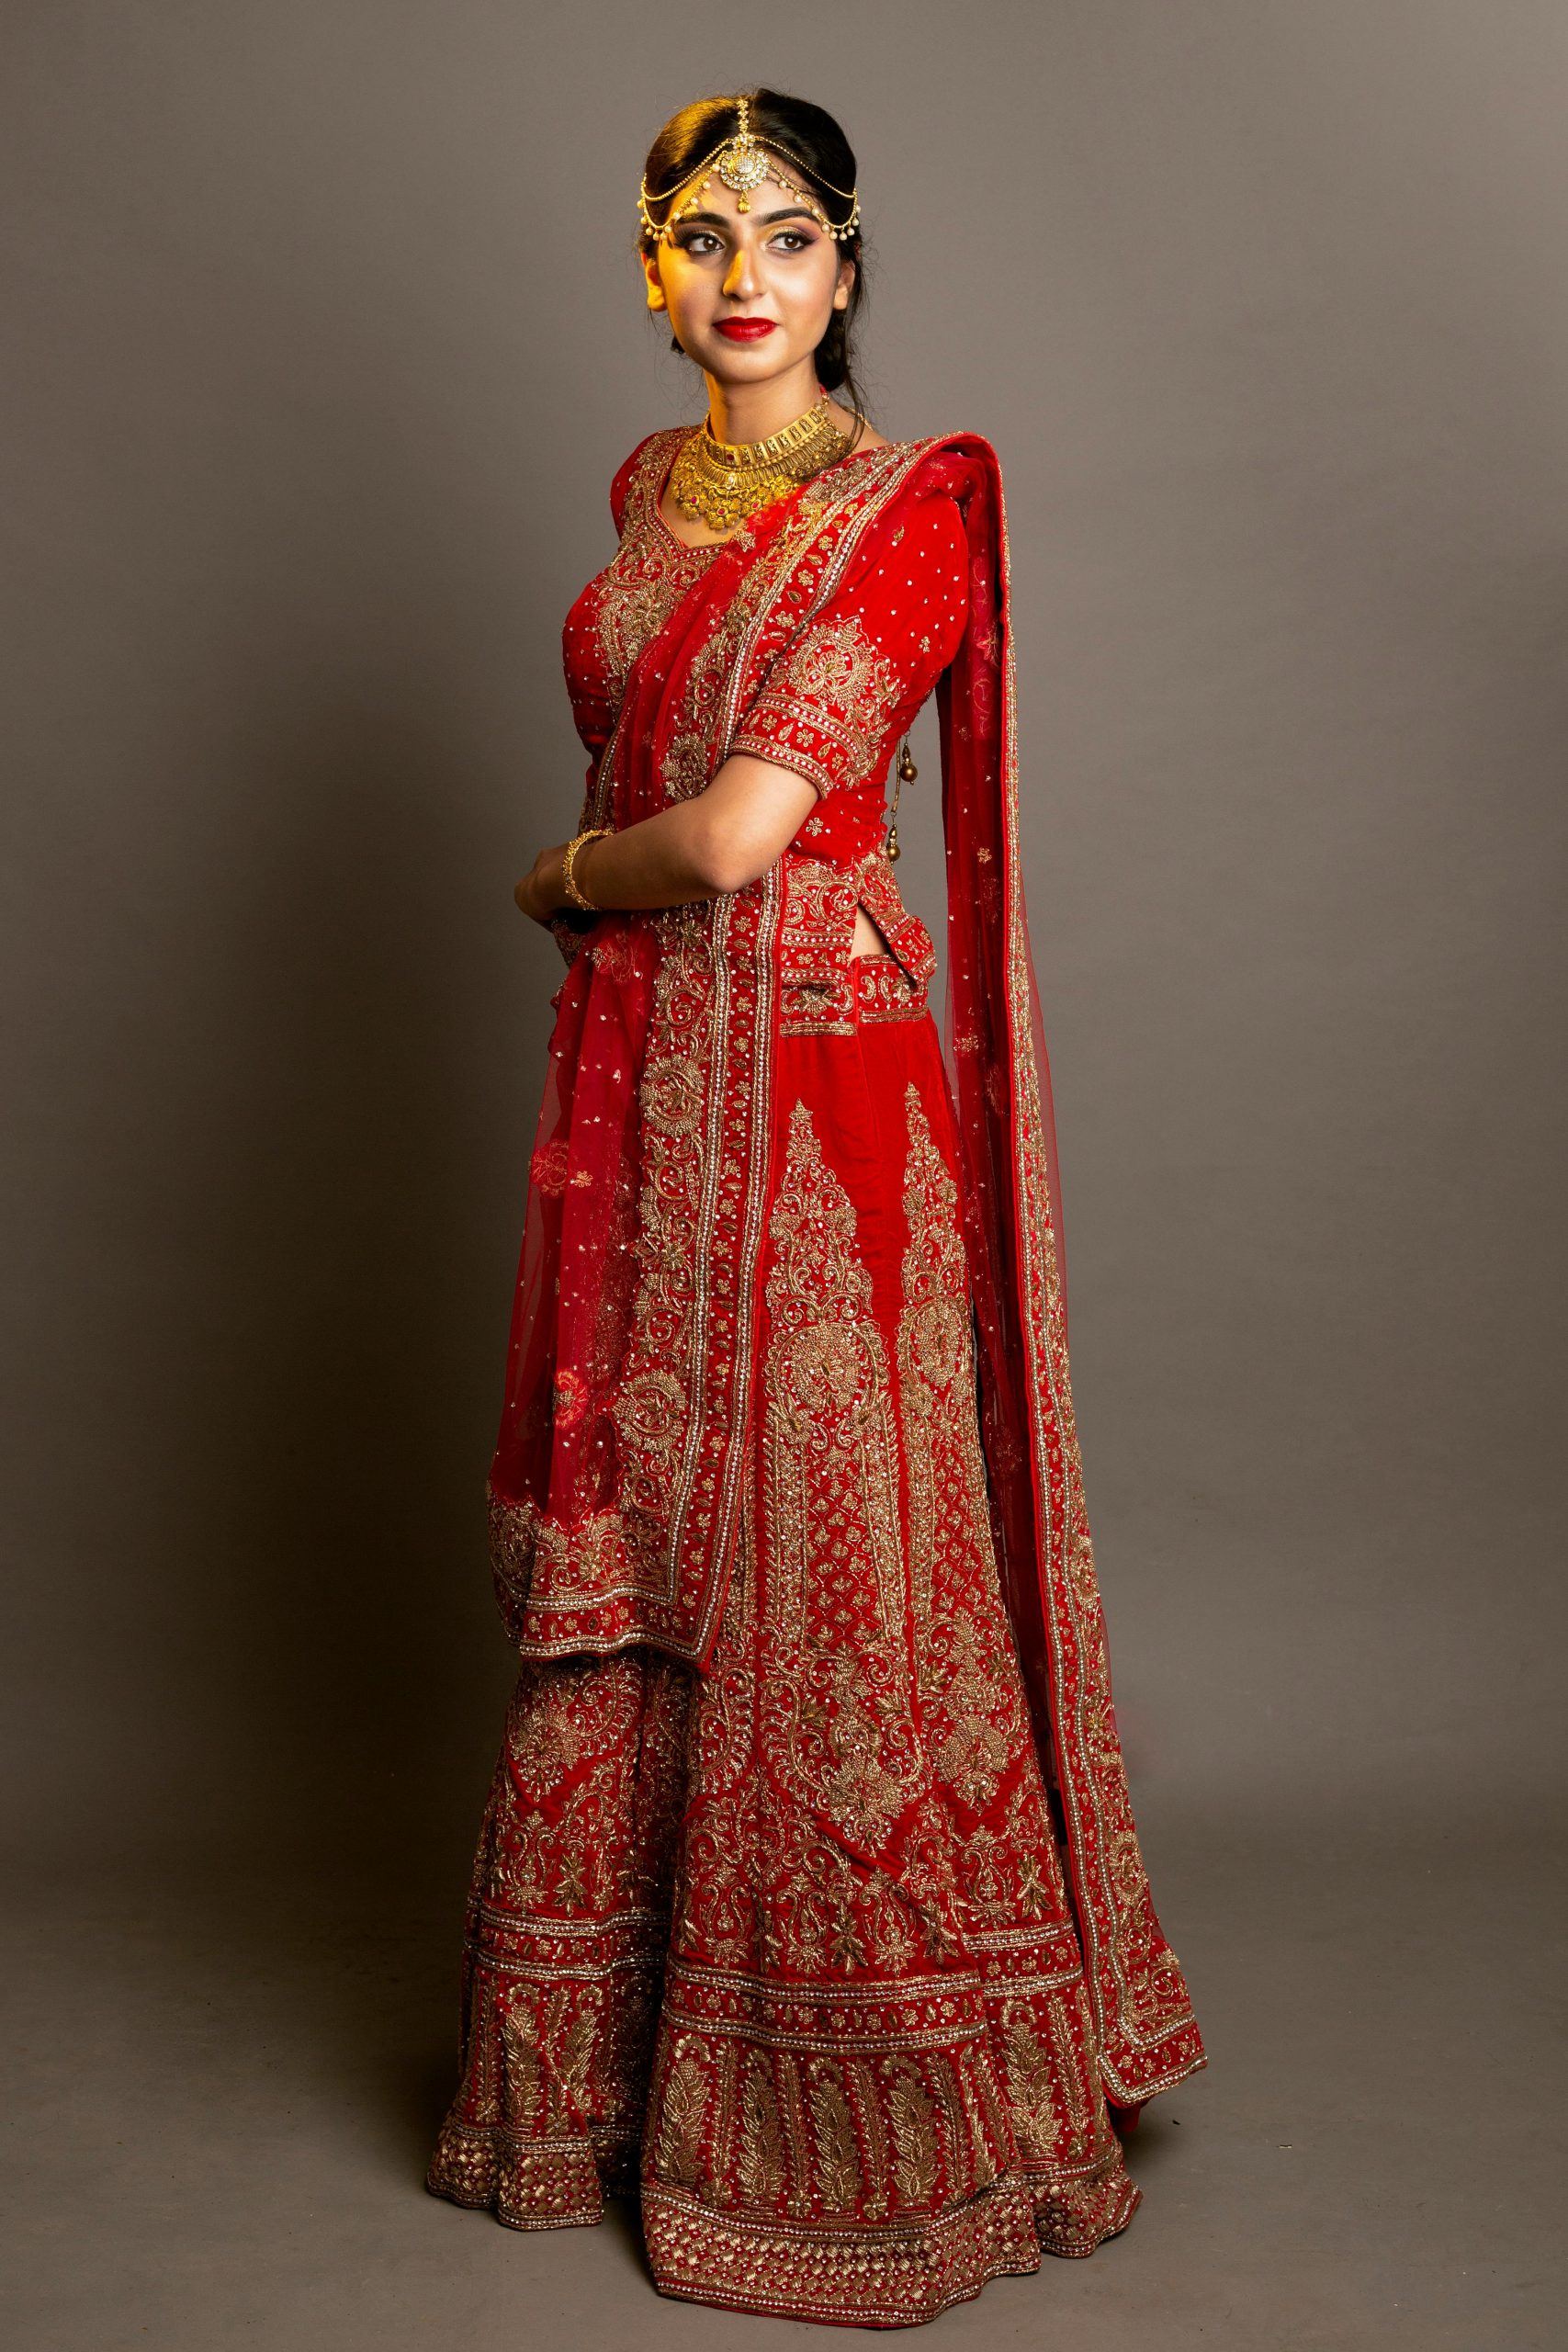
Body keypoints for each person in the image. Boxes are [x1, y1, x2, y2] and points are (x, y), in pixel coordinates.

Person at [424, 87, 1204, 2327]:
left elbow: (743, 829)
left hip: (813, 1094)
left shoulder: (907, 515)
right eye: (696, 233)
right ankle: (582, 2088)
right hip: (646, 1074)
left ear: (847, 267)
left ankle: (871, 2088)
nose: (740, 269)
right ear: (649, 275)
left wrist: (564, 875)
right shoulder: (649, 497)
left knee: (813, 1540)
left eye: (784, 231)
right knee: (647, 1523)